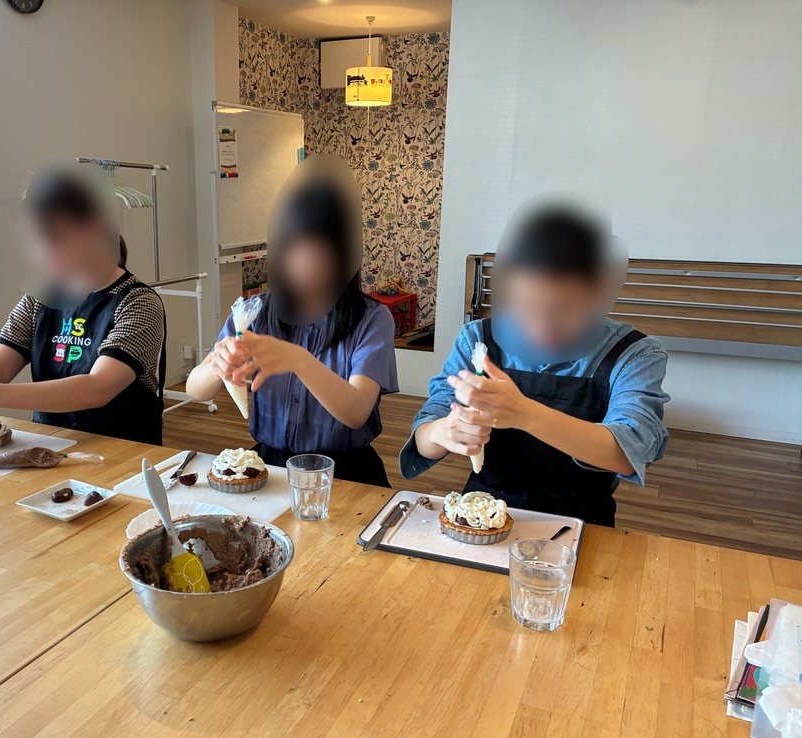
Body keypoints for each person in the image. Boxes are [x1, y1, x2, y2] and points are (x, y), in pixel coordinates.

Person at [401, 197, 669, 526]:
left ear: (599, 290)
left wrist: (525, 413)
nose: (542, 329)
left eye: (564, 310)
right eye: (526, 307)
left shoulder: (633, 354)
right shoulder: (478, 341)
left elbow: (629, 451)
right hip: (484, 513)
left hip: (582, 520)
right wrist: (443, 432)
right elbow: (426, 436)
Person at [186, 155, 398, 487]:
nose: (304, 267)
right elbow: (195, 390)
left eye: (319, 254)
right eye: (294, 252)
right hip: (270, 470)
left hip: (347, 474)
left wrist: (298, 360)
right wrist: (217, 364)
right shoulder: (254, 312)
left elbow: (357, 411)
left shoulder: (371, 319)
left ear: (344, 256)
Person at [0, 157, 167, 444]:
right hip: (51, 445)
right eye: (33, 240)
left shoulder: (138, 303)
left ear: (93, 230)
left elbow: (97, 388)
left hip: (125, 451)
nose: (40, 254)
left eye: (52, 239)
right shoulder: (40, 299)